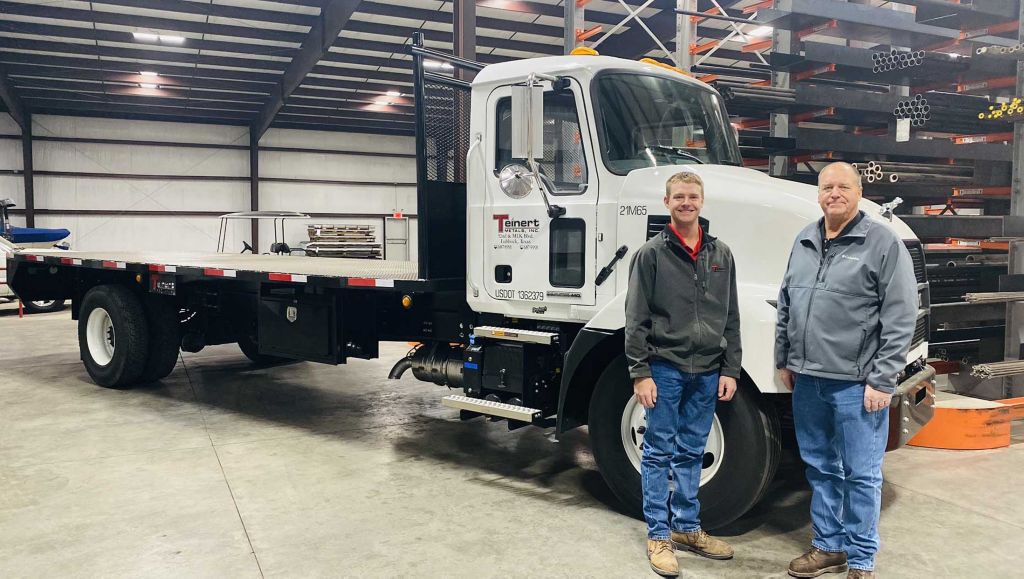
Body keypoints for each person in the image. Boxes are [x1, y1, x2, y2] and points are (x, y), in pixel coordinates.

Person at [775, 162, 918, 579]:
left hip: (857, 385)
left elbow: (900, 315)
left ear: (858, 193)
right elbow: (788, 300)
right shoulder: (805, 237)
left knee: (861, 474)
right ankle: (827, 546)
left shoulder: (881, 243)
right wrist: (784, 357)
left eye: (843, 186)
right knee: (820, 467)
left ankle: (860, 560)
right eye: (826, 187)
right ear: (818, 194)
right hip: (808, 379)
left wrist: (883, 378)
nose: (833, 193)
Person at [625, 171, 742, 577]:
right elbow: (635, 318)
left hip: (708, 370)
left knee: (692, 450)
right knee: (658, 453)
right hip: (665, 368)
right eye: (679, 196)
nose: (686, 203)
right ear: (667, 202)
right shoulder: (651, 255)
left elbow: (731, 317)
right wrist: (641, 372)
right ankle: (658, 535)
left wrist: (731, 369)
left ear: (702, 202)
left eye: (692, 196)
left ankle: (687, 528)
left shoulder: (720, 254)